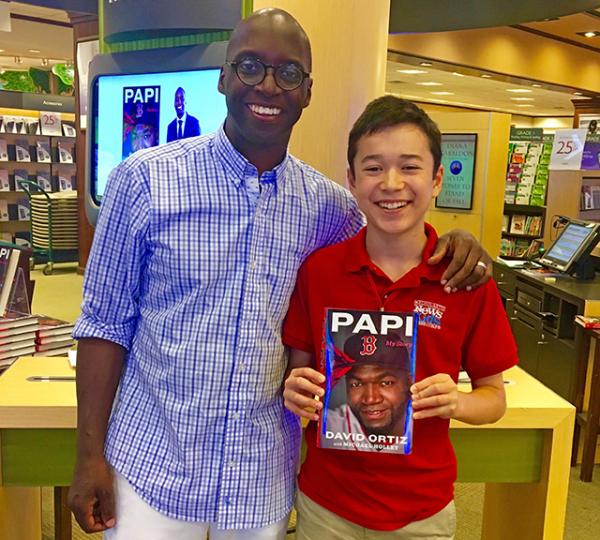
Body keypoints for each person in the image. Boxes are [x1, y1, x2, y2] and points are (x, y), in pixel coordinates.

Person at [68, 9, 493, 540]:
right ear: (223, 78)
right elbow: (103, 324)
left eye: (288, 73)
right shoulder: (146, 181)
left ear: (307, 92)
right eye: (249, 67)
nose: (267, 85)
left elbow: (394, 230)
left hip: (259, 478)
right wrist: (88, 456)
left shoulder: (331, 210)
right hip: (154, 464)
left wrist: (458, 243)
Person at [282, 95, 518, 539]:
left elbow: (494, 397)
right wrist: (297, 389)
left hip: (422, 512)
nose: (391, 183)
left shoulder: (464, 280)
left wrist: (458, 402)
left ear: (435, 180)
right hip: (326, 504)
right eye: (373, 168)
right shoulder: (320, 271)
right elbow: (301, 369)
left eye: (410, 167)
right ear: (351, 180)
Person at [322, 330, 412, 452]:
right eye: (356, 384)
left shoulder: (424, 424)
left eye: (386, 383)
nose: (370, 399)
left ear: (408, 381)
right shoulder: (329, 425)